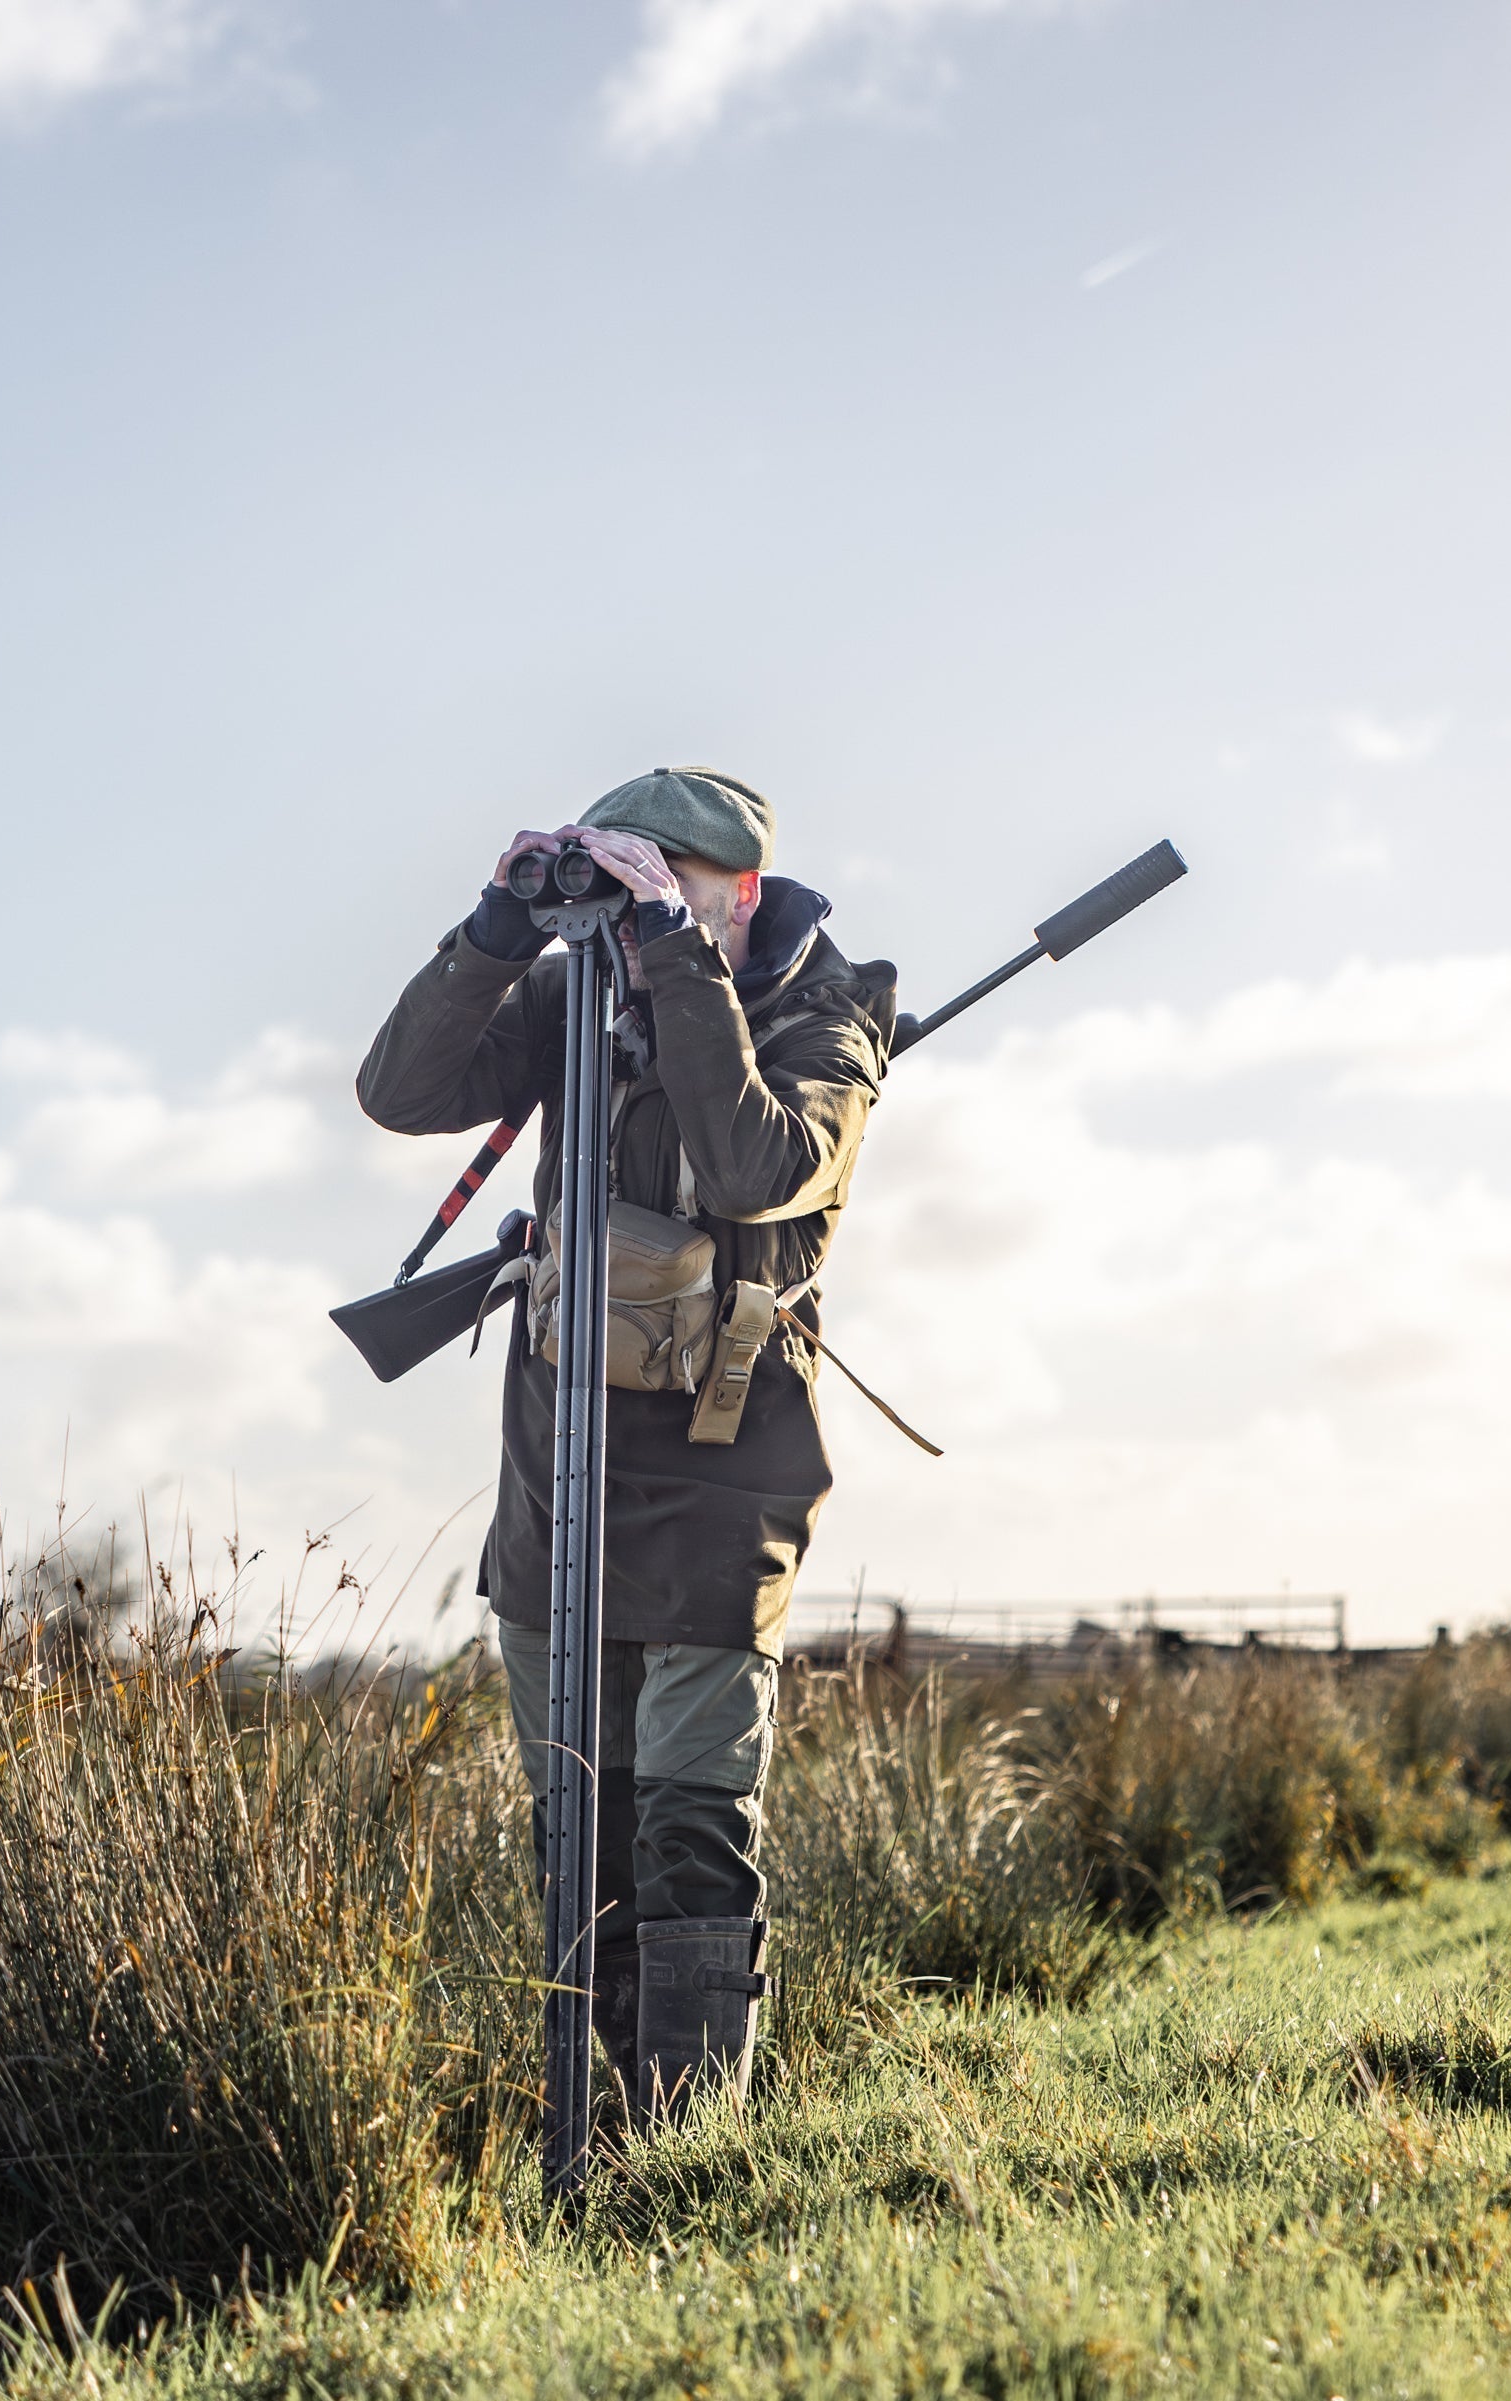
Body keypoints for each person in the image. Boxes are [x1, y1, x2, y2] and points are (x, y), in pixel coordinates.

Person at [354, 767, 896, 2124]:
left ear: (744, 889)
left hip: (724, 1486)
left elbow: (758, 1165)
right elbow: (396, 1088)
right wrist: (497, 927)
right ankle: (614, 2138)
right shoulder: (576, 996)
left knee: (689, 1828)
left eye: (675, 883)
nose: (638, 907)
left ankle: (695, 2146)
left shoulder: (827, 1014)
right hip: (560, 1485)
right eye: (621, 874)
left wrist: (674, 961)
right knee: (579, 1838)